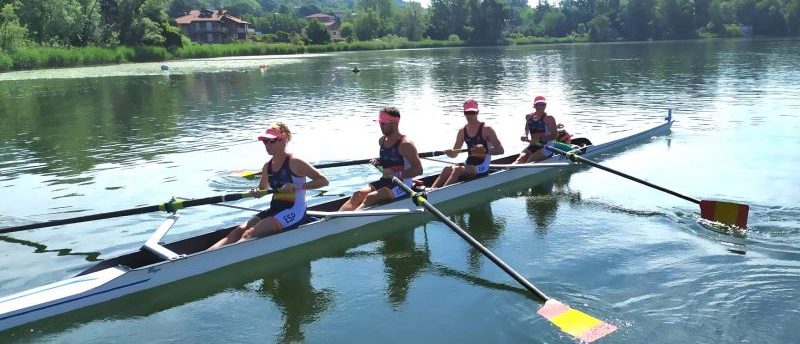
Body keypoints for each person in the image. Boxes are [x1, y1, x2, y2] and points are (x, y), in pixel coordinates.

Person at [210, 123, 329, 249]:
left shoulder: (295, 162)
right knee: (238, 231)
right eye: (265, 141)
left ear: (283, 141)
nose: (267, 145)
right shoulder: (267, 166)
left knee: (248, 234)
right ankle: (206, 258)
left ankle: (225, 261)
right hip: (275, 209)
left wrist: (297, 186)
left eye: (271, 141)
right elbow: (263, 188)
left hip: (294, 210)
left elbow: (323, 181)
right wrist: (257, 191)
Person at [338, 107, 423, 211]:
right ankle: (333, 222)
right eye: (379, 122)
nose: (380, 125)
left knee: (371, 197)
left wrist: (396, 174)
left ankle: (349, 224)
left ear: (394, 123)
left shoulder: (406, 144)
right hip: (385, 181)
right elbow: (391, 161)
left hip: (403, 184)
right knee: (357, 194)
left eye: (383, 123)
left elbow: (419, 170)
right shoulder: (382, 141)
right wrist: (379, 162)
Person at [431, 99, 504, 188]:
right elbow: (455, 154)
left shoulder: (487, 129)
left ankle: (439, 195)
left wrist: (485, 151)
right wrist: (450, 153)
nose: (470, 115)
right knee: (446, 169)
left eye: (472, 112)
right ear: (464, 113)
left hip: (482, 166)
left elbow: (500, 150)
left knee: (457, 170)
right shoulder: (462, 131)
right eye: (467, 113)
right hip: (469, 164)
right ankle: (430, 192)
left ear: (477, 112)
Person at [514, 96, 559, 164]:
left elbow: (555, 136)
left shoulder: (549, 118)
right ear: (534, 106)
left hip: (546, 147)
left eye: (544, 104)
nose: (542, 106)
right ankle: (507, 171)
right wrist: (525, 135)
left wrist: (540, 139)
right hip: (533, 145)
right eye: (539, 104)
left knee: (529, 161)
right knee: (520, 159)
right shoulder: (528, 117)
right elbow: (527, 128)